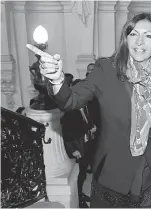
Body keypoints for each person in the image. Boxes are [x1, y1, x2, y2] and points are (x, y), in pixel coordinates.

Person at [38, 12, 151, 208]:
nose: (139, 41)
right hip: (113, 174)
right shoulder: (106, 69)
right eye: (133, 34)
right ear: (126, 39)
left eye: (148, 35)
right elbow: (72, 99)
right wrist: (57, 80)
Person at [61, 78, 91, 208]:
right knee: (77, 175)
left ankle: (80, 194)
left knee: (83, 173)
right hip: (77, 147)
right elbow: (65, 133)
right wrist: (73, 149)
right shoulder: (69, 110)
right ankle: (78, 199)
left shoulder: (84, 105)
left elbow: (85, 124)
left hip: (85, 144)